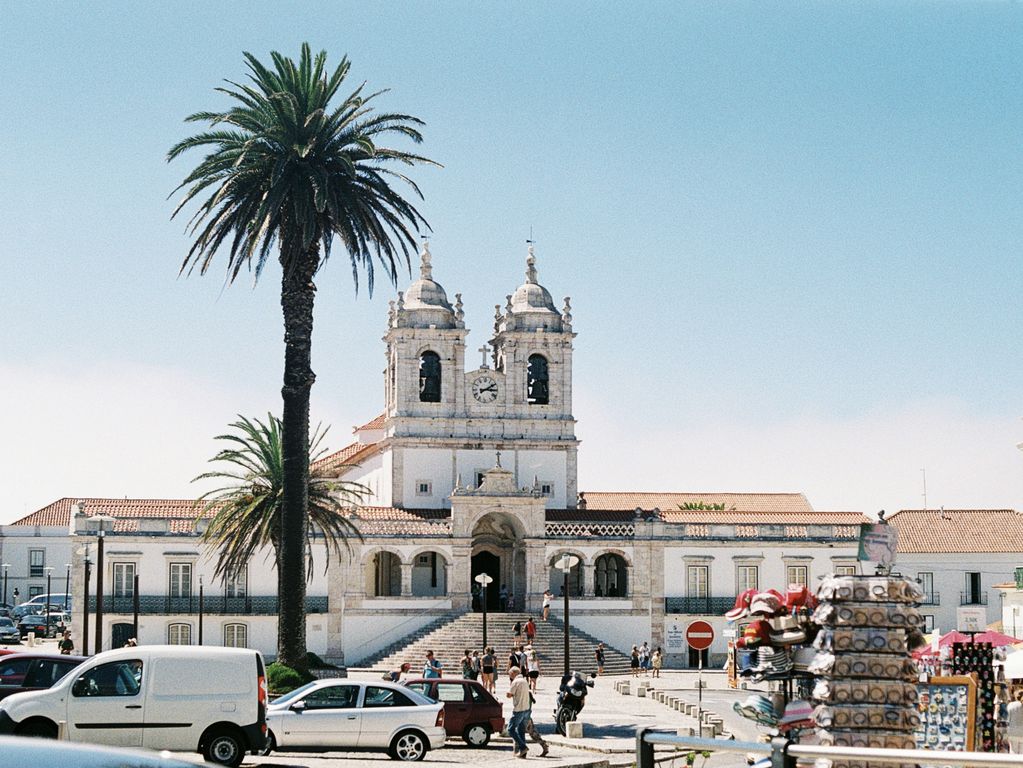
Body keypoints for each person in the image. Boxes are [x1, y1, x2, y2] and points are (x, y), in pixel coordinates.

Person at [506, 667, 531, 758]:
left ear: (513, 673)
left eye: (510, 674)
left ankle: (523, 747)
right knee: (521, 731)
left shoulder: (515, 682)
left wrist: (507, 693)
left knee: (511, 729)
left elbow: (509, 695)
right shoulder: (525, 681)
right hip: (526, 709)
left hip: (518, 709)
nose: (510, 676)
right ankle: (523, 753)